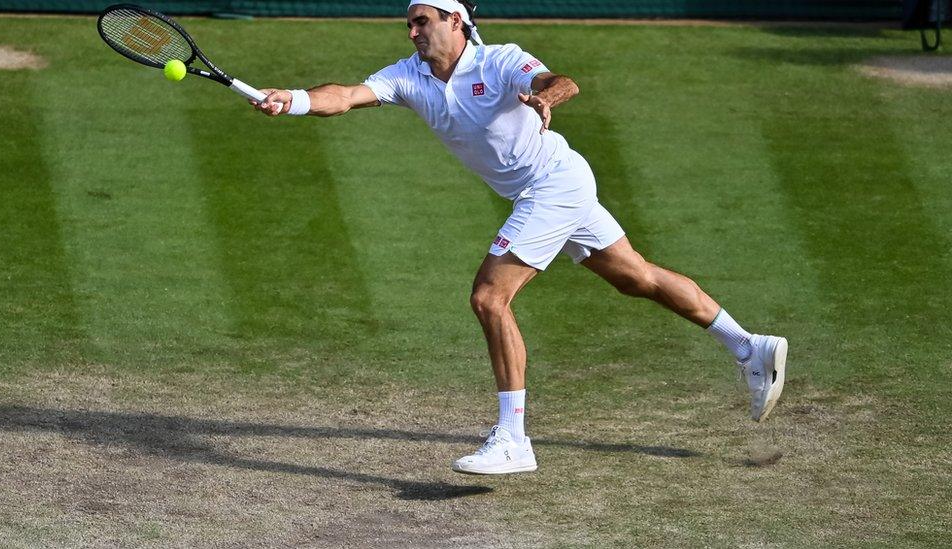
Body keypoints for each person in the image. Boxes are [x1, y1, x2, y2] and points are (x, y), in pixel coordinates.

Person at [251, 0, 788, 475]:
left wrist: (546, 97)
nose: (412, 32)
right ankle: (751, 347)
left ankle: (513, 440)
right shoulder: (408, 76)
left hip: (553, 183)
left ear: (455, 20)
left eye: (422, 22)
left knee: (490, 297)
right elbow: (344, 95)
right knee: (637, 277)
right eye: (410, 24)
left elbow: (562, 81)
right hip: (555, 188)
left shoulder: (501, 59)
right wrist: (292, 98)